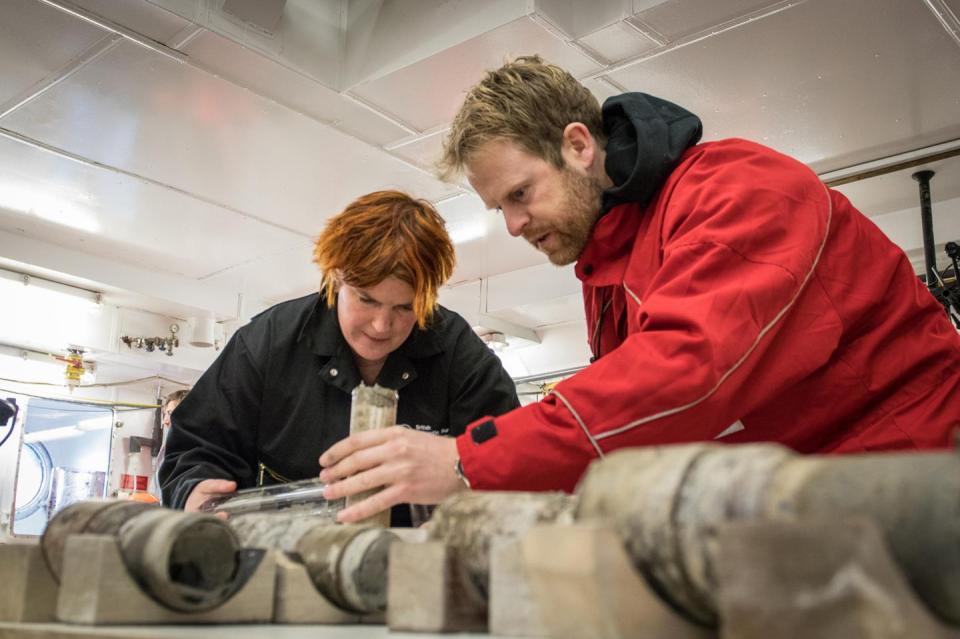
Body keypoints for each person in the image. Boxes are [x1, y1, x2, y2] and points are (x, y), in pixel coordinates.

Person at [319, 55, 960, 523]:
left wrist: (467, 460)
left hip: (913, 480)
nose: (513, 226)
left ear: (577, 145)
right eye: (499, 210)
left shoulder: (736, 189)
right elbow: (631, 426)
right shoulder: (609, 265)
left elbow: (685, 376)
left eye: (520, 194)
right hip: (812, 501)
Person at [160, 190, 519, 525]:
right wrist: (192, 491)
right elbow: (196, 447)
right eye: (366, 300)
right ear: (335, 278)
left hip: (418, 562)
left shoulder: (459, 356)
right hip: (286, 558)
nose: (382, 325)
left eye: (405, 307)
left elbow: (512, 462)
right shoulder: (268, 344)